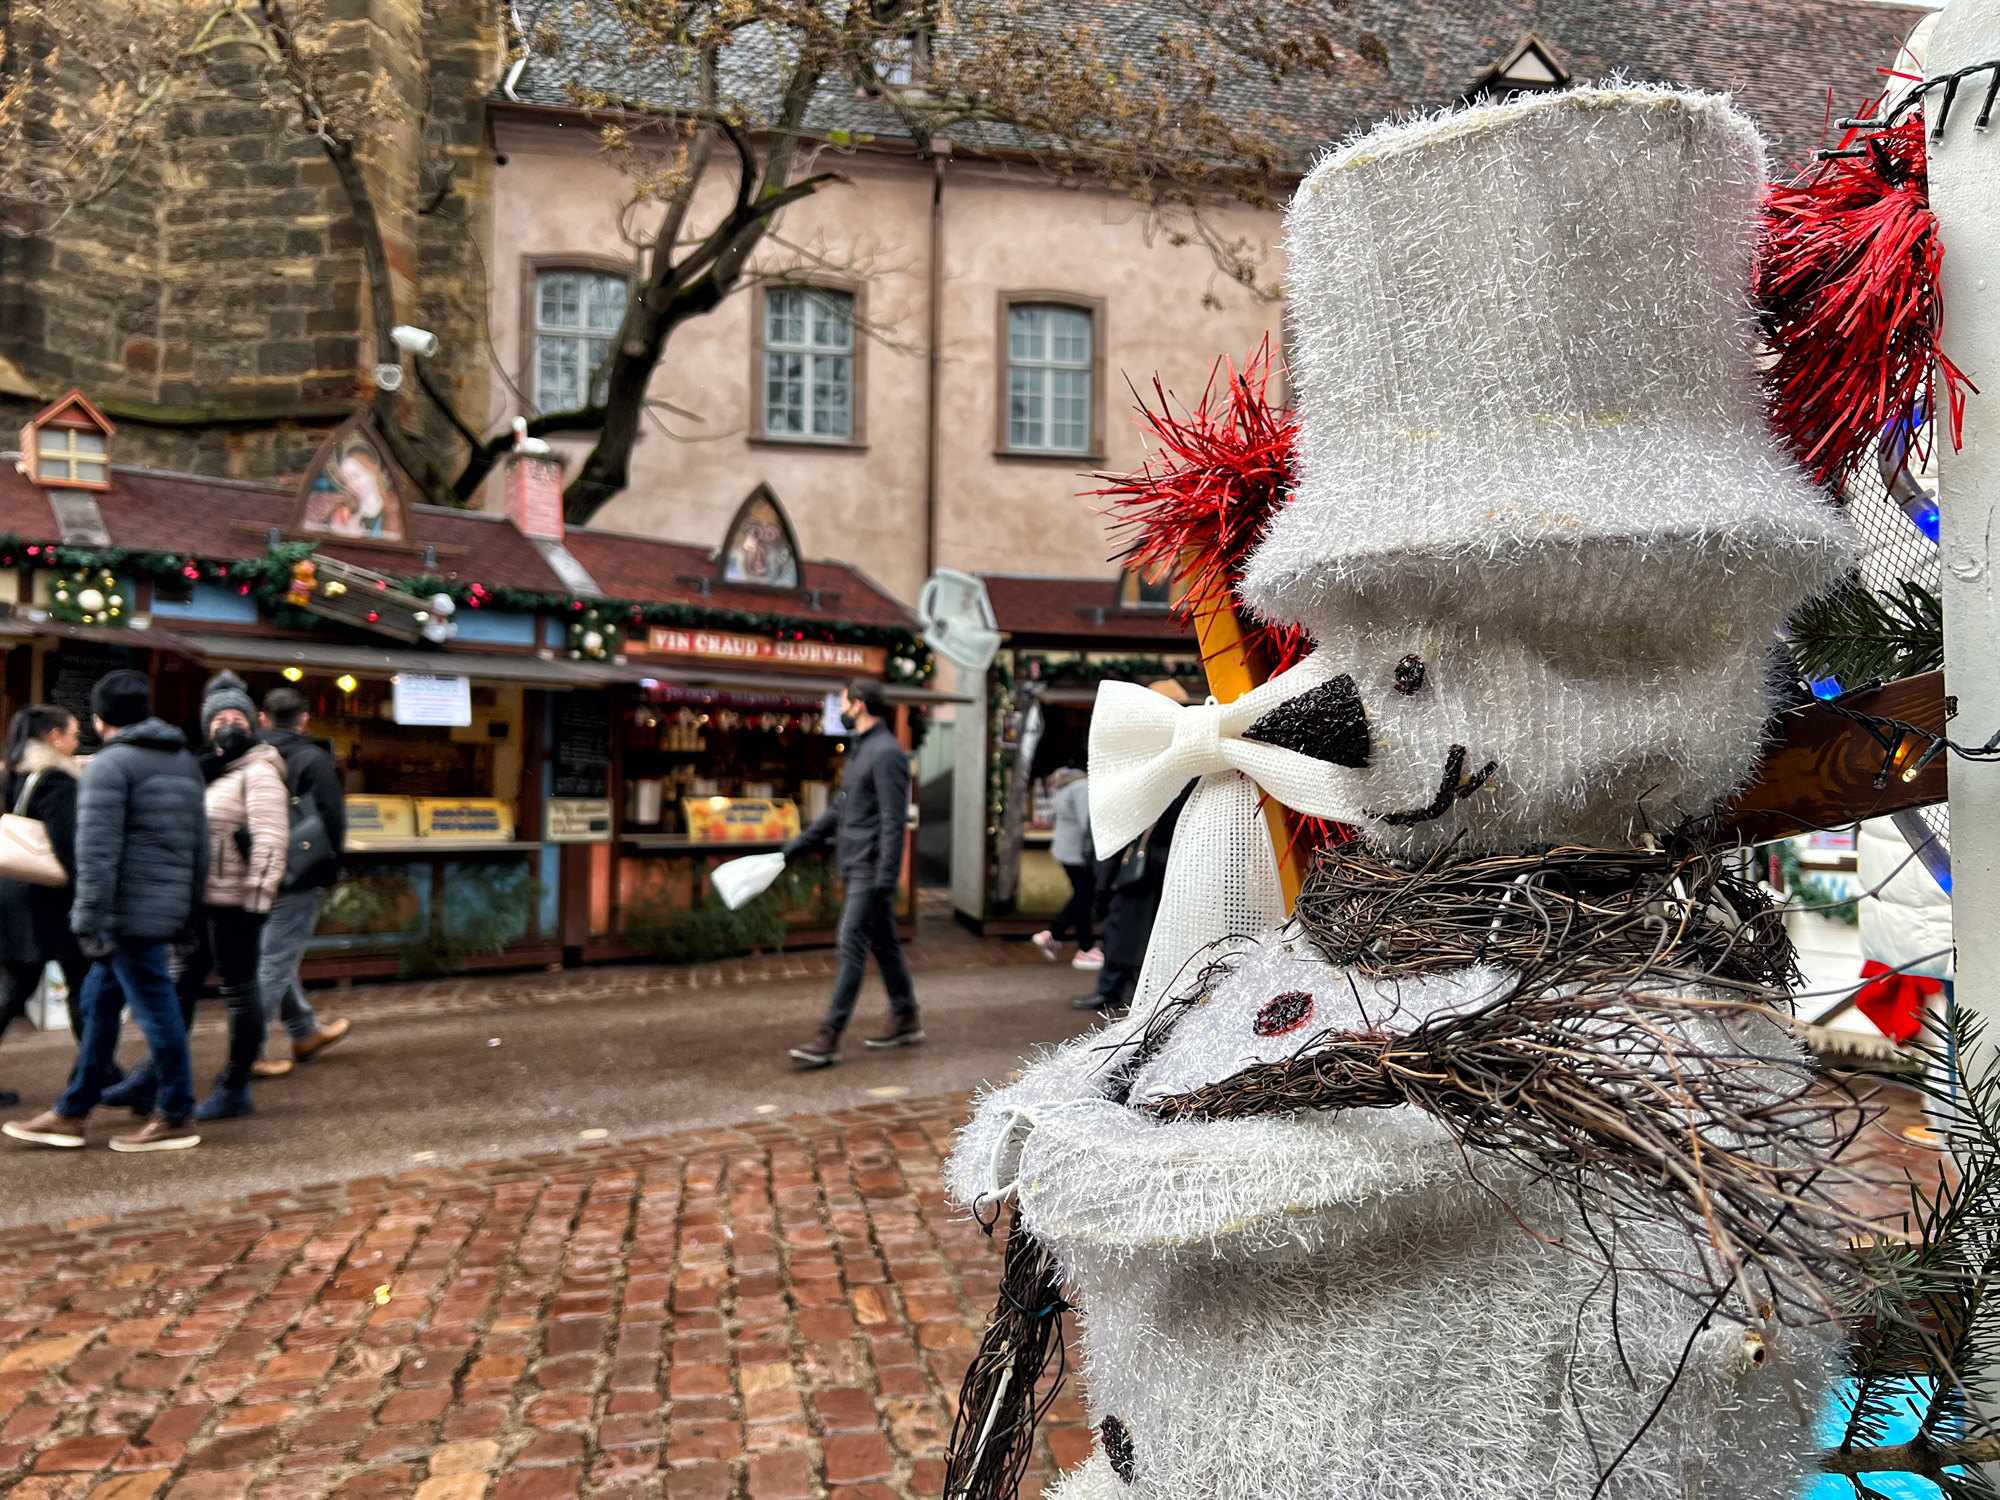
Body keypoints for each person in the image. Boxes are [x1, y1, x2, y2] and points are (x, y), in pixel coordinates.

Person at [3, 669, 208, 1152]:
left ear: (99, 718)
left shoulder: (108, 767)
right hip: (162, 907)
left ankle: (177, 1113)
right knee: (97, 1006)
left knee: (157, 1014)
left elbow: (95, 853)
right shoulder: (183, 762)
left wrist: (88, 919)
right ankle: (73, 1111)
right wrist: (189, 907)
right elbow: (201, 846)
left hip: (123, 914)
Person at [786, 678, 921, 1067]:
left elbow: (895, 821)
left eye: (843, 702)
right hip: (855, 861)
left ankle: (828, 1035)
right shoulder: (861, 749)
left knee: (850, 943)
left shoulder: (887, 753)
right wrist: (798, 846)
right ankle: (906, 1014)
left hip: (870, 867)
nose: (841, 710)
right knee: (883, 943)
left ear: (858, 704)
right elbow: (839, 811)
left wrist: (887, 875)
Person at [181, 673, 289, 1121]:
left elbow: (271, 840)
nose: (228, 724)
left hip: (237, 905)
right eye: (220, 718)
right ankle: (158, 1072)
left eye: (236, 717)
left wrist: (257, 901)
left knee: (240, 993)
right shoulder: (208, 770)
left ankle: (235, 1084)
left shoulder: (259, 769)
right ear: (208, 727)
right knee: (181, 986)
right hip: (204, 900)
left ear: (252, 723)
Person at [251, 686, 351, 1077]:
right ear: (305, 720)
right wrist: (330, 871)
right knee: (274, 962)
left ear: (262, 718)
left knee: (277, 954)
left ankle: (304, 1031)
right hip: (298, 874)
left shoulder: (248, 755)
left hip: (255, 870)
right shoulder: (312, 758)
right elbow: (333, 820)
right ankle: (248, 1052)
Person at [0, 706, 90, 1106]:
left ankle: (99, 1069)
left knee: (16, 989)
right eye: (73, 734)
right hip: (51, 903)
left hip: (18, 898)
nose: (77, 742)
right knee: (83, 986)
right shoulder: (57, 780)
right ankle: (98, 1070)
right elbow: (67, 847)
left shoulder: (15, 771)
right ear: (55, 736)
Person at [1032, 756, 1100, 971]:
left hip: (1064, 849)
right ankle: (1083, 947)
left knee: (1082, 896)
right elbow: (1087, 822)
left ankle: (1057, 936)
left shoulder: (1064, 783)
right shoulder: (1081, 786)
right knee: (1084, 897)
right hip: (1077, 852)